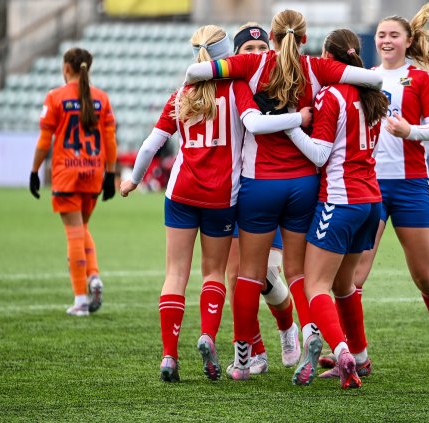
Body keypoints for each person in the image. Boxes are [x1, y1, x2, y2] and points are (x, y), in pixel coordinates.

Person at [182, 9, 383, 382]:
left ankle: (244, 359)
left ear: (271, 38)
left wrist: (232, 65)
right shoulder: (316, 68)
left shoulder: (252, 65)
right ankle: (310, 336)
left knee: (248, 274)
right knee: (298, 274)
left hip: (259, 184)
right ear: (304, 39)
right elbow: (371, 77)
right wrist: (300, 114)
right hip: (304, 185)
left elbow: (195, 74)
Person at [119, 25, 311, 382]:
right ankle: (210, 336)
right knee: (218, 273)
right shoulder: (239, 88)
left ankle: (169, 357)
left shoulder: (182, 94)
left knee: (176, 274)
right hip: (225, 196)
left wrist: (133, 180)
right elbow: (254, 124)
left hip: (180, 192)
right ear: (229, 54)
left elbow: (150, 145)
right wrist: (300, 120)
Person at [341, 3, 429, 367]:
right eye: (381, 35)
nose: (386, 40)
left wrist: (410, 131)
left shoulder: (421, 79)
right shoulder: (365, 78)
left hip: (410, 186)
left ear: (408, 41)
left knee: (426, 276)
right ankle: (352, 353)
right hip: (369, 185)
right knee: (355, 275)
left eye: (394, 35)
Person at [283, 29, 389, 389]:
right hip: (371, 203)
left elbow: (319, 154)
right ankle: (359, 355)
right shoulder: (373, 95)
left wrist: (290, 125)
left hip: (340, 201)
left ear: (328, 58)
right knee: (344, 286)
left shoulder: (332, 95)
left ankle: (342, 352)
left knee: (316, 286)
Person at [224, 22, 301, 375]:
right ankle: (255, 352)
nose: (255, 56)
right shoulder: (233, 88)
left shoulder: (280, 82)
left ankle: (287, 326)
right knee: (234, 278)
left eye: (260, 50)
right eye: (247, 51)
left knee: (266, 272)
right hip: (234, 193)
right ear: (236, 56)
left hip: (268, 186)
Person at [29, 47, 117, 317]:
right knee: (83, 228)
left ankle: (81, 298)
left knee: (74, 234)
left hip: (67, 173)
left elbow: (45, 141)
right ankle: (93, 277)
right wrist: (111, 175)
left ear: (66, 68)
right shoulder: (101, 98)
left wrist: (34, 171)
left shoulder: (56, 96)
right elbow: (111, 141)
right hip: (93, 173)